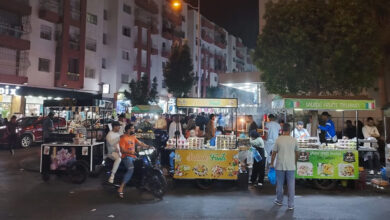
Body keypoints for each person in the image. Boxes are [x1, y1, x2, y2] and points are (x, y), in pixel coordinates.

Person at [117, 124, 152, 198]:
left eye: (133, 128)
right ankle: (121, 188)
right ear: (128, 130)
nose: (133, 130)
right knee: (131, 169)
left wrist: (148, 146)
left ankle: (142, 184)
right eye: (132, 128)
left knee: (143, 165)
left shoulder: (133, 137)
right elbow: (122, 150)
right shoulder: (123, 138)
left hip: (134, 156)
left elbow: (140, 143)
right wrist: (130, 152)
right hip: (126, 157)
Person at [270, 123, 298, 210]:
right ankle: (291, 204)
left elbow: (274, 153)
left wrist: (271, 164)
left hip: (280, 165)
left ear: (282, 130)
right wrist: (295, 162)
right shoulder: (294, 140)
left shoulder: (278, 140)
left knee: (280, 184)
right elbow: (297, 153)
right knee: (291, 185)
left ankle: (279, 200)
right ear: (289, 131)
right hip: (291, 166)